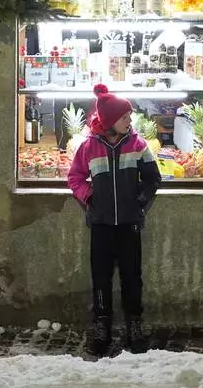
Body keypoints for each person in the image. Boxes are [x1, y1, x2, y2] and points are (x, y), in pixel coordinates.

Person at [67, 84, 162, 357]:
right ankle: (102, 326)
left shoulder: (138, 145)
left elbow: (153, 178)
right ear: (109, 121)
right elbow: (74, 177)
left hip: (130, 223)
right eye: (124, 118)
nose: (129, 121)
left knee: (132, 277)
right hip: (101, 224)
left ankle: (135, 325)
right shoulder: (88, 147)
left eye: (129, 117)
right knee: (101, 277)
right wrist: (89, 198)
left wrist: (140, 201)